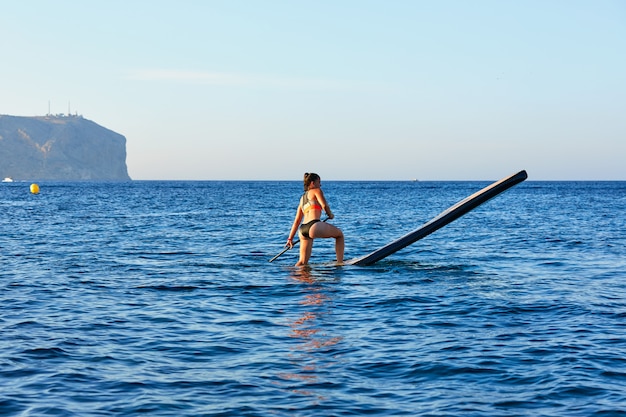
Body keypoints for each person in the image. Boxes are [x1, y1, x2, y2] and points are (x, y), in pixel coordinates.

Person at [286, 173, 344, 266]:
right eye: (319, 182)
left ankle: (293, 276)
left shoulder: (302, 198)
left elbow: (297, 221)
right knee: (340, 235)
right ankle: (340, 263)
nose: (320, 185)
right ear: (312, 183)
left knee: (302, 262)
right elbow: (324, 205)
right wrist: (330, 214)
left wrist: (290, 238)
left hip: (303, 230)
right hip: (314, 225)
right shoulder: (317, 190)